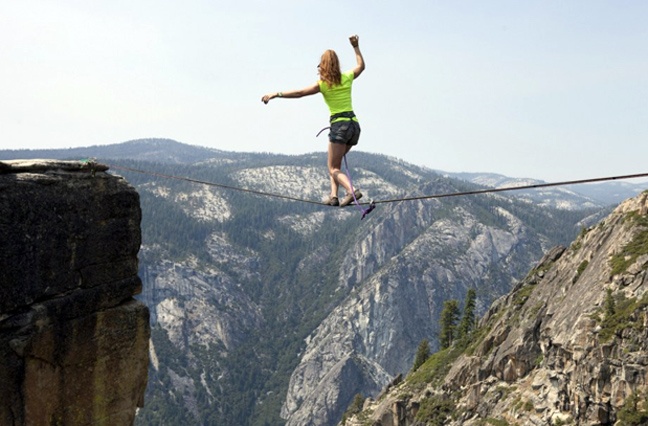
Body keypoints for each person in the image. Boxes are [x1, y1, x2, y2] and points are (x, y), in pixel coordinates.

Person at [262, 35, 365, 207]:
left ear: (323, 66)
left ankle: (351, 191)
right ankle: (334, 197)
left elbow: (299, 93)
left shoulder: (323, 85)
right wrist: (356, 46)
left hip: (340, 126)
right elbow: (361, 66)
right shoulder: (347, 77)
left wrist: (276, 94)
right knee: (334, 165)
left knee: (333, 168)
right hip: (354, 126)